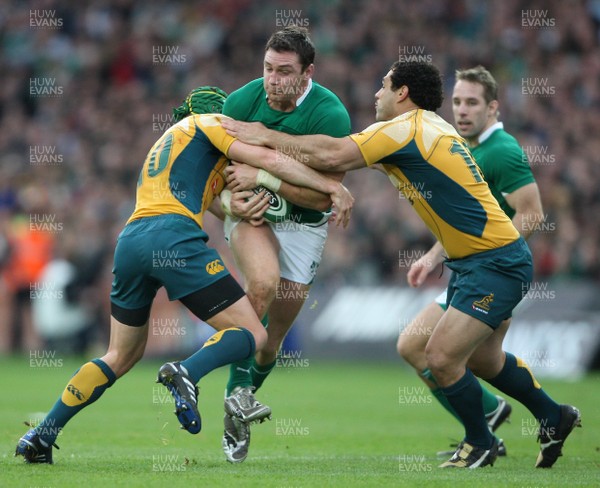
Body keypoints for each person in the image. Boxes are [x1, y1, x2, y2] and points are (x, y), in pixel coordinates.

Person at [221, 60, 581, 469]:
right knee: (483, 360)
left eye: (383, 85)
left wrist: (262, 138)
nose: (376, 93)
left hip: (495, 264)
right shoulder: (431, 128)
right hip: (477, 263)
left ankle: (480, 442)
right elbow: (324, 162)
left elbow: (332, 152)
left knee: (441, 358)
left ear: (402, 93)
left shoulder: (404, 130)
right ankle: (554, 415)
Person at [15, 86, 353, 464]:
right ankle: (186, 371)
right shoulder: (210, 123)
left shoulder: (168, 143)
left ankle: (41, 435)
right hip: (173, 237)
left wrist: (233, 204)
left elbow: (210, 199)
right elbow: (264, 159)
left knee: (119, 355)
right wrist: (330, 187)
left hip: (131, 242)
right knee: (254, 333)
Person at [396, 65, 545, 458]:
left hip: (493, 271)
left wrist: (496, 256)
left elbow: (531, 214)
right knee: (460, 357)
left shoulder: (502, 151)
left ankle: (483, 433)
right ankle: (504, 418)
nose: (461, 110)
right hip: (471, 270)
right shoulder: (464, 146)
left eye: (472, 103)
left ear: (493, 107)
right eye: (457, 101)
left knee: (435, 352)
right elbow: (464, 222)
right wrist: (431, 257)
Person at [218, 26, 351, 463]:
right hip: (251, 218)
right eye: (268, 69)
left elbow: (321, 198)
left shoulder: (329, 114)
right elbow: (209, 179)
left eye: (284, 72)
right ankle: (236, 395)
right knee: (262, 285)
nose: (273, 80)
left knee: (271, 341)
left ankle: (235, 413)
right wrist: (226, 201)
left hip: (305, 229)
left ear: (307, 72)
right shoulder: (241, 101)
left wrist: (265, 177)